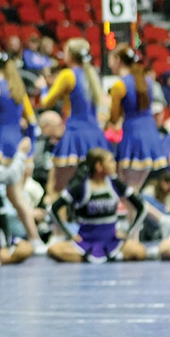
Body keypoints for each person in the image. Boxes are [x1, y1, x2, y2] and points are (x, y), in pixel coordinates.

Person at [0, 51, 41, 244]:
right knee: (15, 197)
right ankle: (29, 237)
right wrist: (30, 150)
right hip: (18, 144)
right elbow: (32, 123)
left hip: (0, 147)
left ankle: (30, 237)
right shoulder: (17, 87)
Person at [47, 148, 148, 263]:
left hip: (112, 241)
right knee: (53, 250)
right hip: (85, 242)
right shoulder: (80, 186)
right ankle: (100, 257)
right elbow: (53, 209)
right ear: (99, 166)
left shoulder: (115, 183)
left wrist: (128, 232)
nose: (114, 164)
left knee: (140, 251)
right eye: (110, 161)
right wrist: (69, 234)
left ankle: (102, 256)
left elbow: (142, 207)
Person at [41, 38, 110, 203]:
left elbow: (46, 102)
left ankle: (58, 219)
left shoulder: (68, 75)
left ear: (70, 56)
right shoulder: (93, 74)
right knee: (94, 183)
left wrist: (43, 86)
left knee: (58, 187)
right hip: (95, 134)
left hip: (75, 133)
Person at [107, 45, 167, 191]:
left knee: (129, 189)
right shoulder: (147, 81)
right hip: (151, 134)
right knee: (135, 188)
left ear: (118, 60)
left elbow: (114, 118)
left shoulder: (119, 85)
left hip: (133, 137)